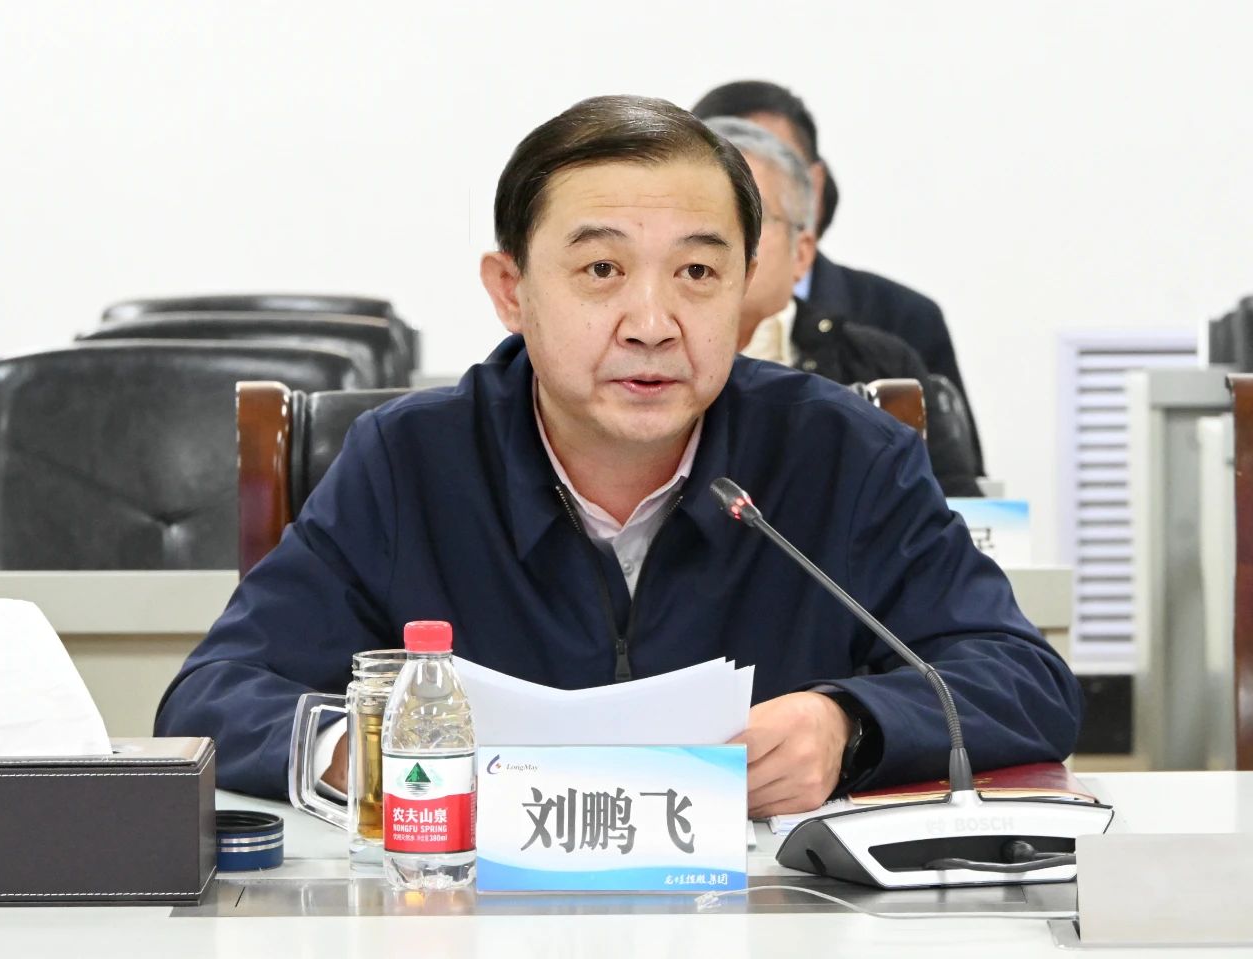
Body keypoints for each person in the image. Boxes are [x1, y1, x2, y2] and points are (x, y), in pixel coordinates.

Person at [155, 95, 1079, 818]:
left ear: (747, 286)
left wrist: (851, 724)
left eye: (698, 272)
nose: (652, 323)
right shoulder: (409, 463)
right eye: (601, 270)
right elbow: (209, 697)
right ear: (511, 290)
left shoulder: (844, 455)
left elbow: (1023, 679)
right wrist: (359, 751)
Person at [692, 80, 986, 475]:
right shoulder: (643, 346)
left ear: (802, 251)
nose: (720, 240)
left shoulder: (884, 362)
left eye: (752, 218)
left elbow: (955, 504)